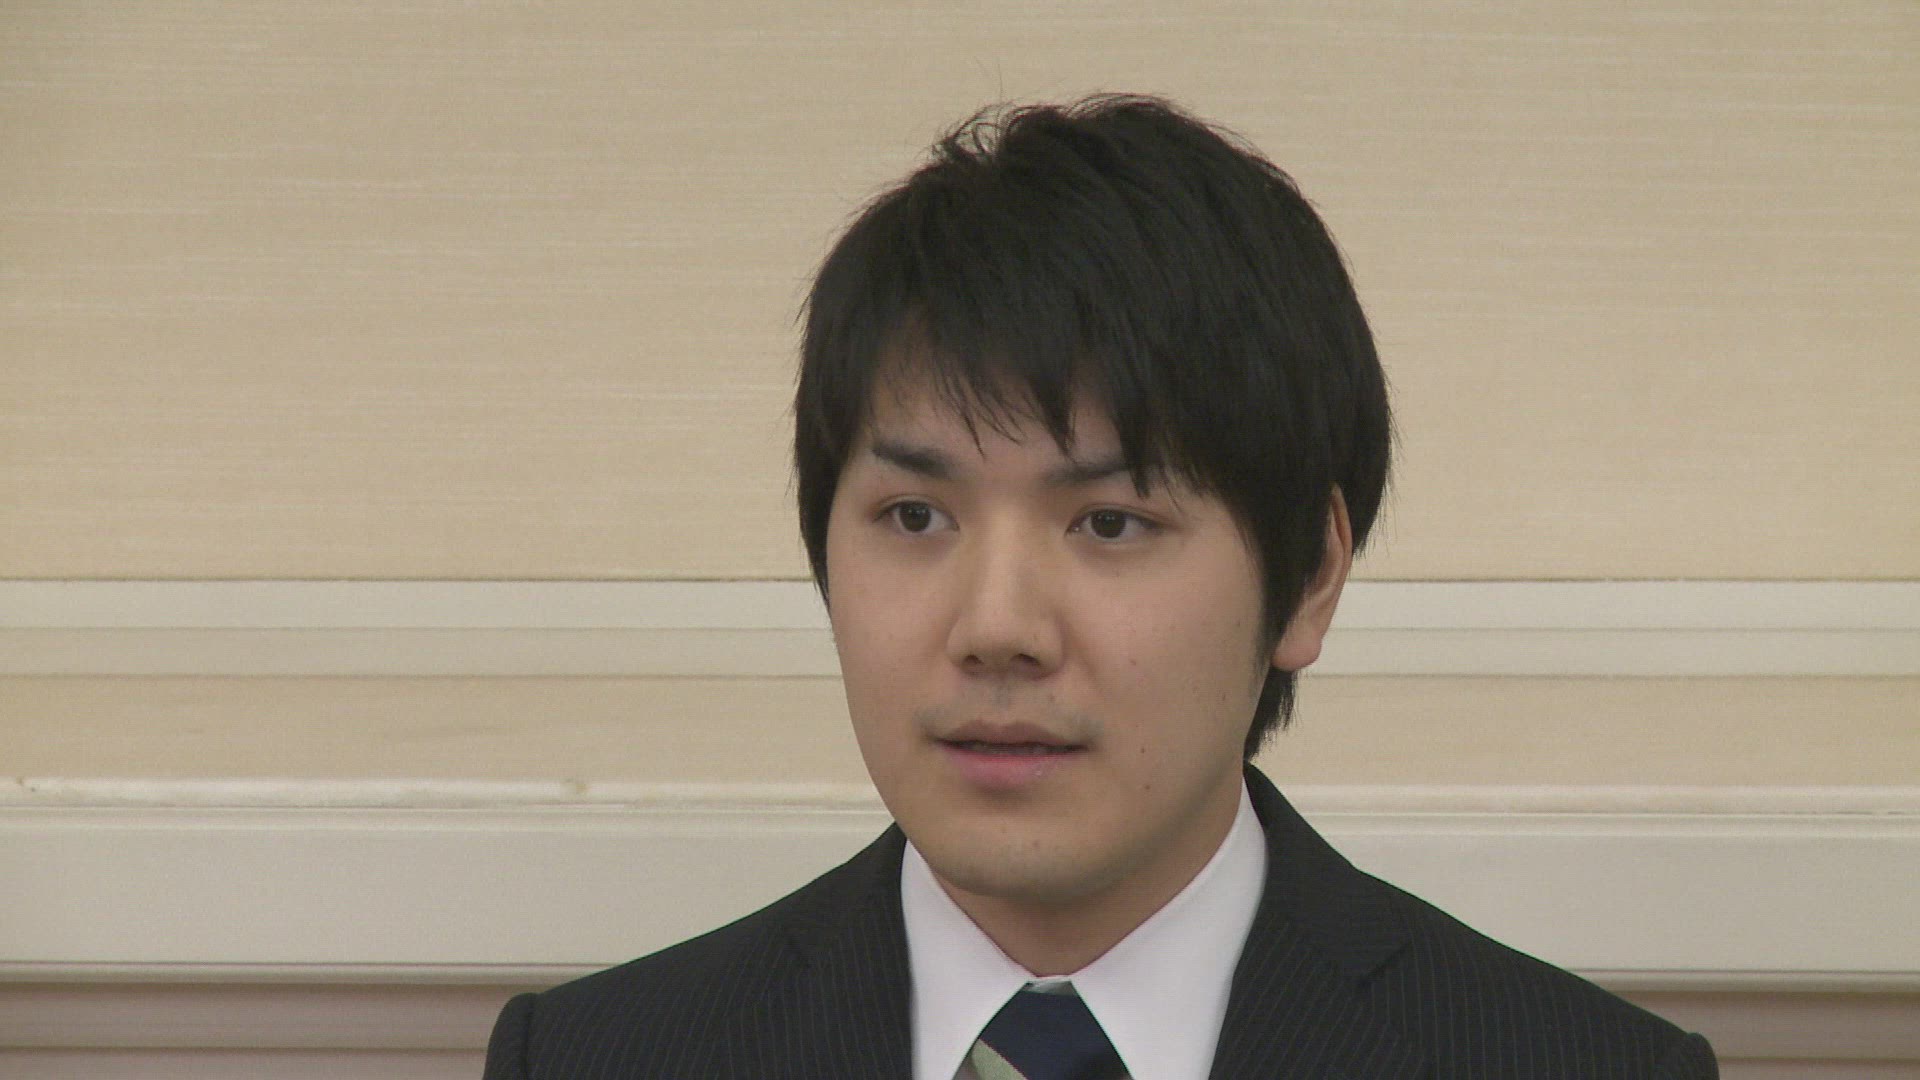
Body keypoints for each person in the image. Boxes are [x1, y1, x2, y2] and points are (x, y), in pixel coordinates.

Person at [483, 94, 1717, 1079]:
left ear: (1309, 577)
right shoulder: (597, 1059)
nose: (997, 628)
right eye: (915, 517)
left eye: (1111, 523)